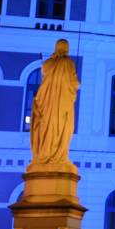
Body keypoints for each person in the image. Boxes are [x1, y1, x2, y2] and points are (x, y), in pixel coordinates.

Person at [30, 39, 80, 170]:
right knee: (63, 128)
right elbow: (73, 83)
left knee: (47, 128)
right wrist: (77, 84)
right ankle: (58, 156)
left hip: (46, 103)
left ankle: (45, 154)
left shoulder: (47, 63)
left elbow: (44, 80)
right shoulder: (68, 63)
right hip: (63, 103)